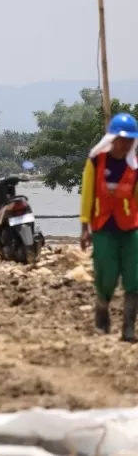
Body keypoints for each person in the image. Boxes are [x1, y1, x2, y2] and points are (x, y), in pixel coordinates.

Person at [80, 112, 138, 341]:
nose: (125, 144)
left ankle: (128, 329)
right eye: (122, 138)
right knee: (106, 276)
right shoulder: (96, 162)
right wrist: (85, 228)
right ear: (112, 139)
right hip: (103, 228)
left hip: (131, 229)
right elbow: (87, 195)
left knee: (134, 277)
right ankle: (102, 315)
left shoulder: (134, 167)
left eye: (130, 140)